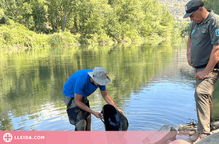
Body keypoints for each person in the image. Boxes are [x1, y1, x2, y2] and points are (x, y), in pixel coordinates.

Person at [183, 0, 219, 143]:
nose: (191, 19)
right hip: (200, 67)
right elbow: (190, 38)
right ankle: (206, 126)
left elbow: (217, 49)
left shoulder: (214, 21)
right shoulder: (196, 22)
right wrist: (188, 53)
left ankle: (203, 133)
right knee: (205, 95)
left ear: (200, 9)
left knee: (201, 93)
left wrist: (206, 71)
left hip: (211, 66)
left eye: (192, 15)